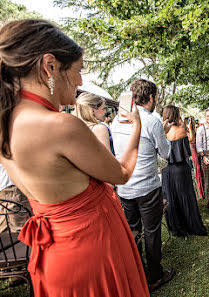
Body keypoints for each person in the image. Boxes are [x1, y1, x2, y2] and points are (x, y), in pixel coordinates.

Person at [0, 19, 149, 296]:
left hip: (54, 256)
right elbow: (123, 172)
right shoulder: (60, 126)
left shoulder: (5, 126)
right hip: (92, 253)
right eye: (78, 71)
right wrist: (137, 128)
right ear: (50, 66)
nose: (81, 82)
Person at [112, 79, 175, 292]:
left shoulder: (116, 121)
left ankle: (136, 273)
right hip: (147, 187)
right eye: (155, 97)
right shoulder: (152, 120)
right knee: (152, 231)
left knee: (132, 231)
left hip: (125, 186)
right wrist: (164, 133)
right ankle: (155, 276)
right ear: (151, 98)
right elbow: (165, 153)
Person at [162, 106, 207, 237]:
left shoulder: (162, 132)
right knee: (186, 197)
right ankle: (190, 224)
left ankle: (176, 227)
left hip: (167, 170)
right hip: (181, 168)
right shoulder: (181, 130)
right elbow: (188, 148)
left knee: (172, 198)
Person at [184, 116, 205, 200]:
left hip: (195, 152)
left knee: (197, 171)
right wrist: (189, 129)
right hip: (190, 153)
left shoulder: (195, 131)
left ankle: (200, 192)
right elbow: (191, 140)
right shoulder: (185, 132)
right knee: (193, 172)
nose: (193, 122)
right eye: (191, 121)